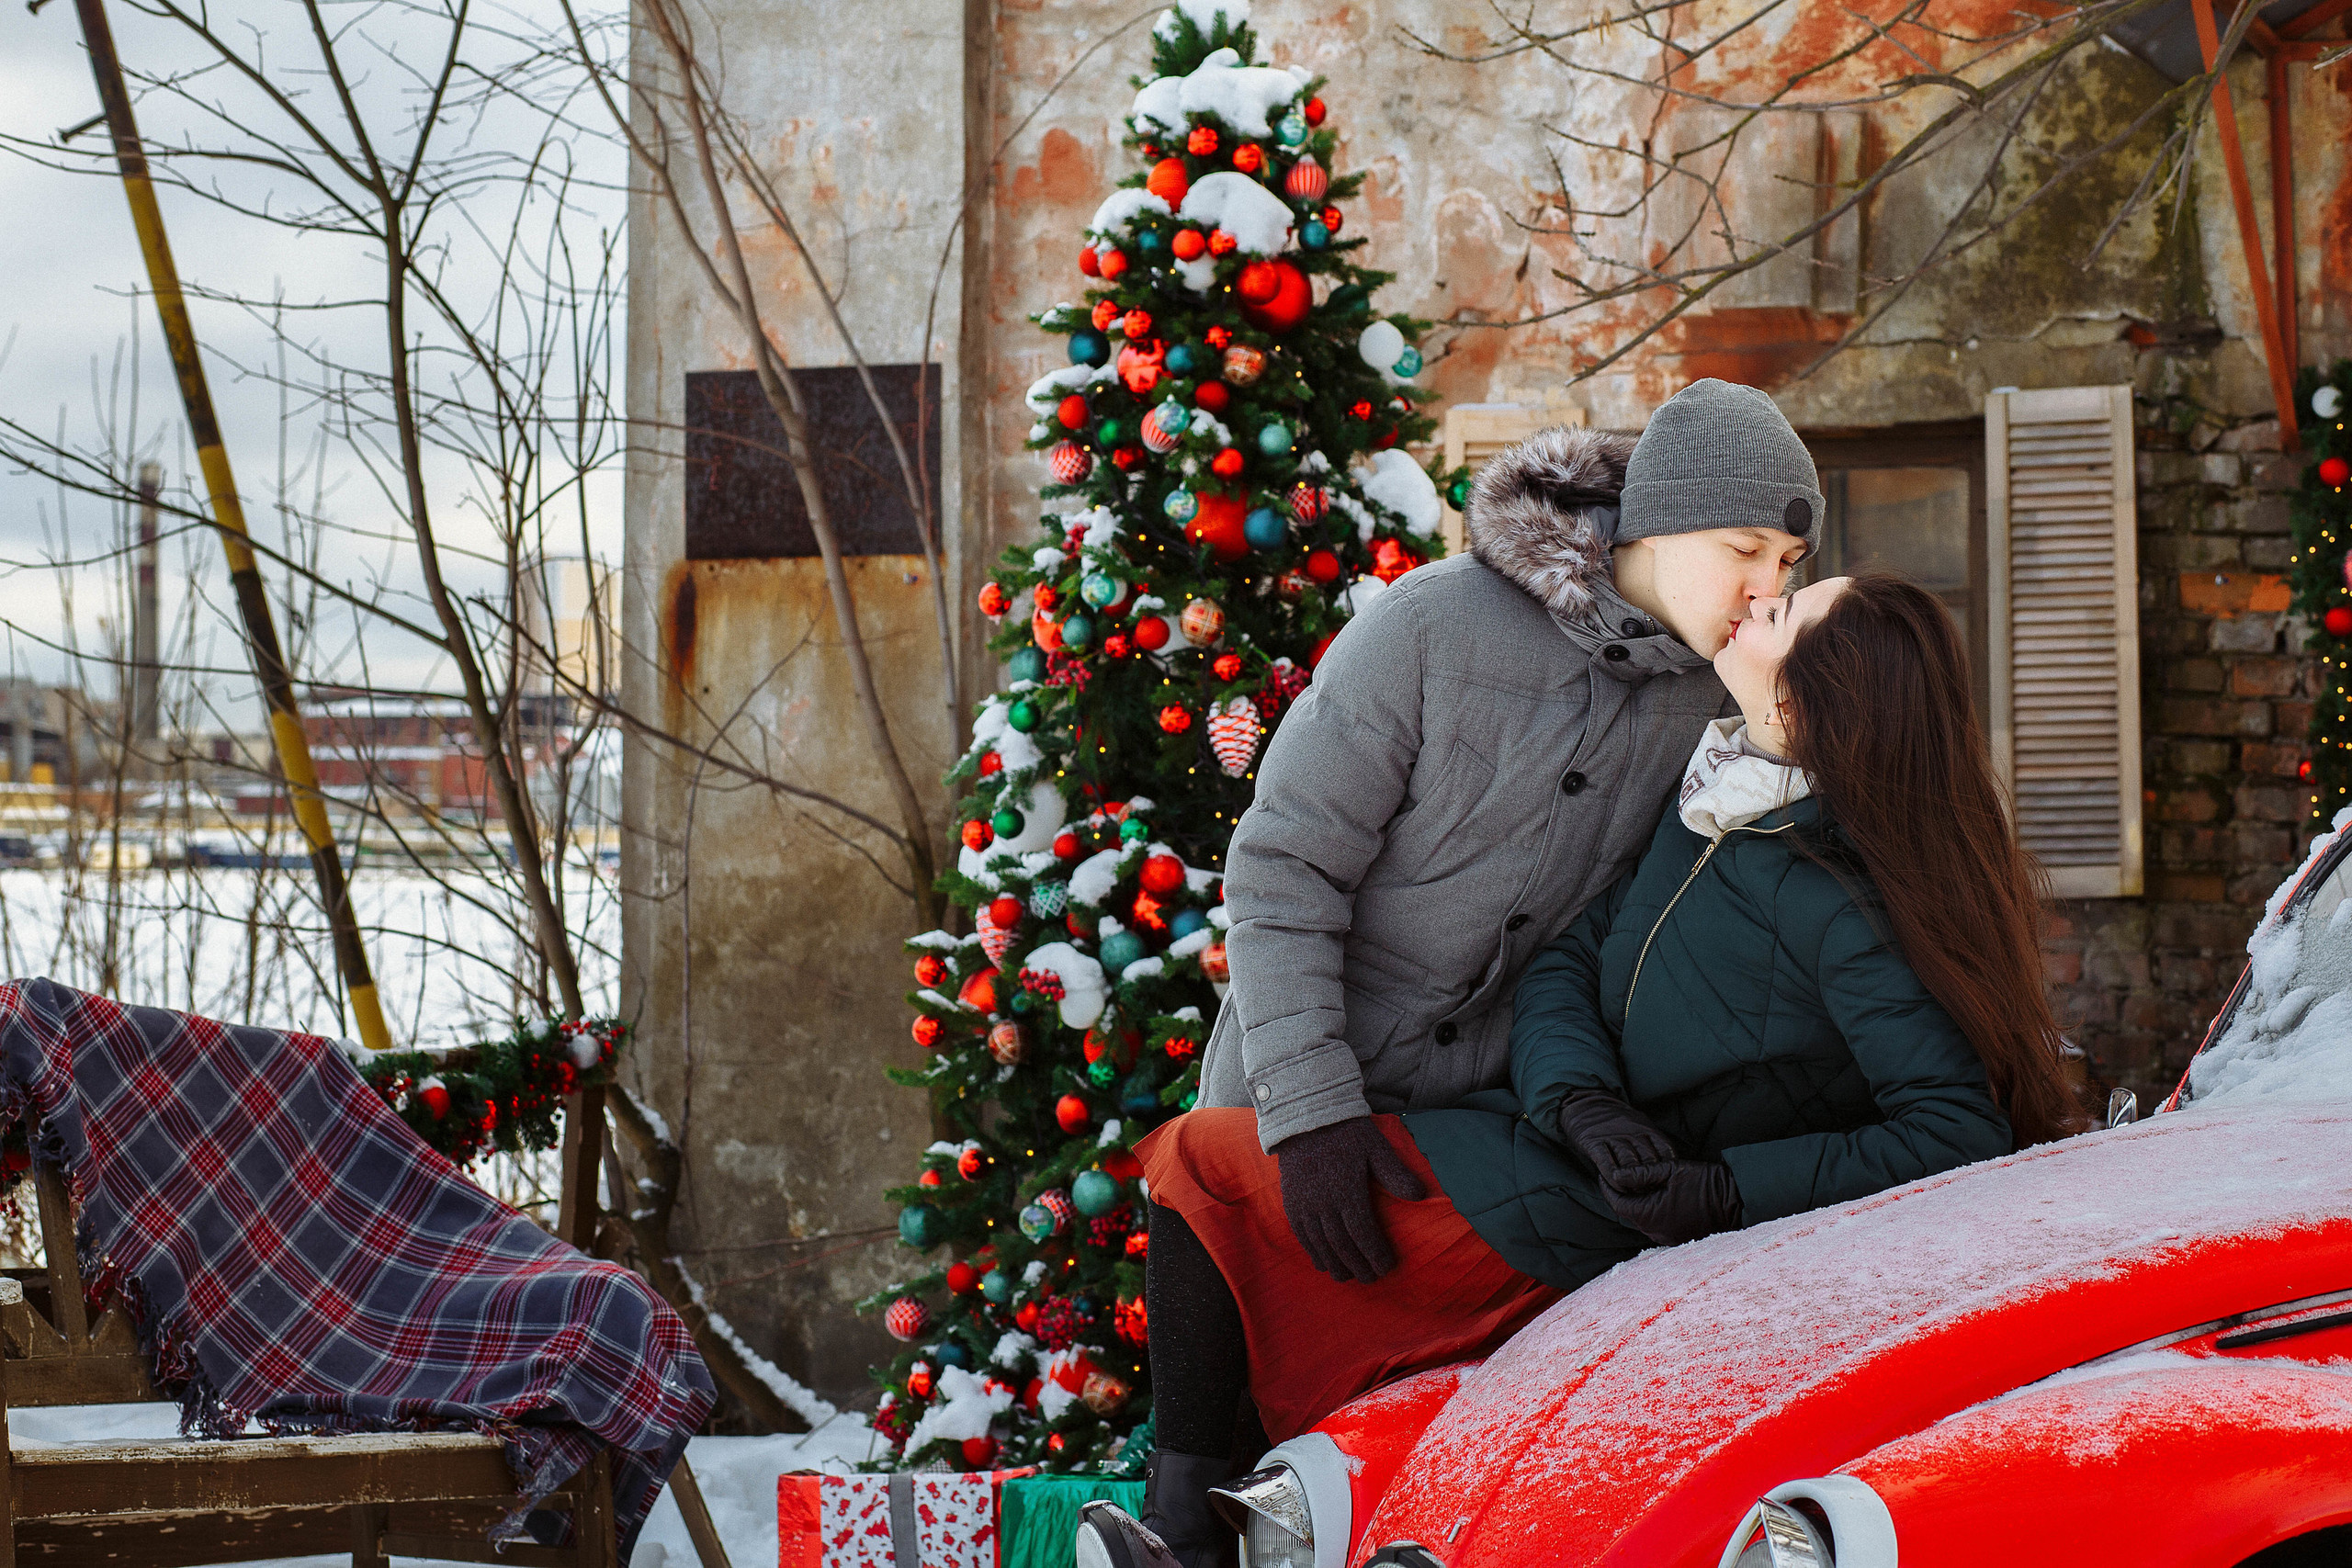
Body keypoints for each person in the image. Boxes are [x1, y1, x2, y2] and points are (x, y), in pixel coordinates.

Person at [1080, 573, 2088, 1568]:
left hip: (1585, 1230)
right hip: (1541, 1147)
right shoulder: (1717, 807)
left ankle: (1184, 1536)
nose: (1746, 605)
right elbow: (1570, 957)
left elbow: (1956, 1134)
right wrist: (1581, 1100)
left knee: (1203, 1163)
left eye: (1775, 613)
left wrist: (1722, 1188)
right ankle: (1207, 1524)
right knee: (1212, 1174)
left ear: (1799, 698)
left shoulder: (1840, 906)